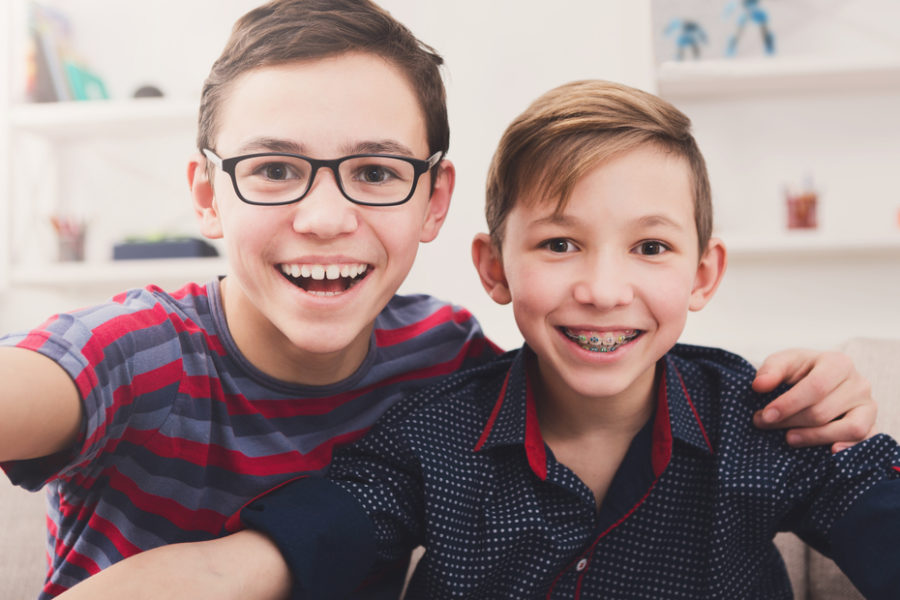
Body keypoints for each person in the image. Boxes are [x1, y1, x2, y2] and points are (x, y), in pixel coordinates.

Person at [0, 1, 877, 597]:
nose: (324, 217)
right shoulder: (135, 348)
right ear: (205, 194)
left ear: (433, 199)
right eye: (273, 169)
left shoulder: (447, 358)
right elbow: (247, 561)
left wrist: (830, 387)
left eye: (375, 171)